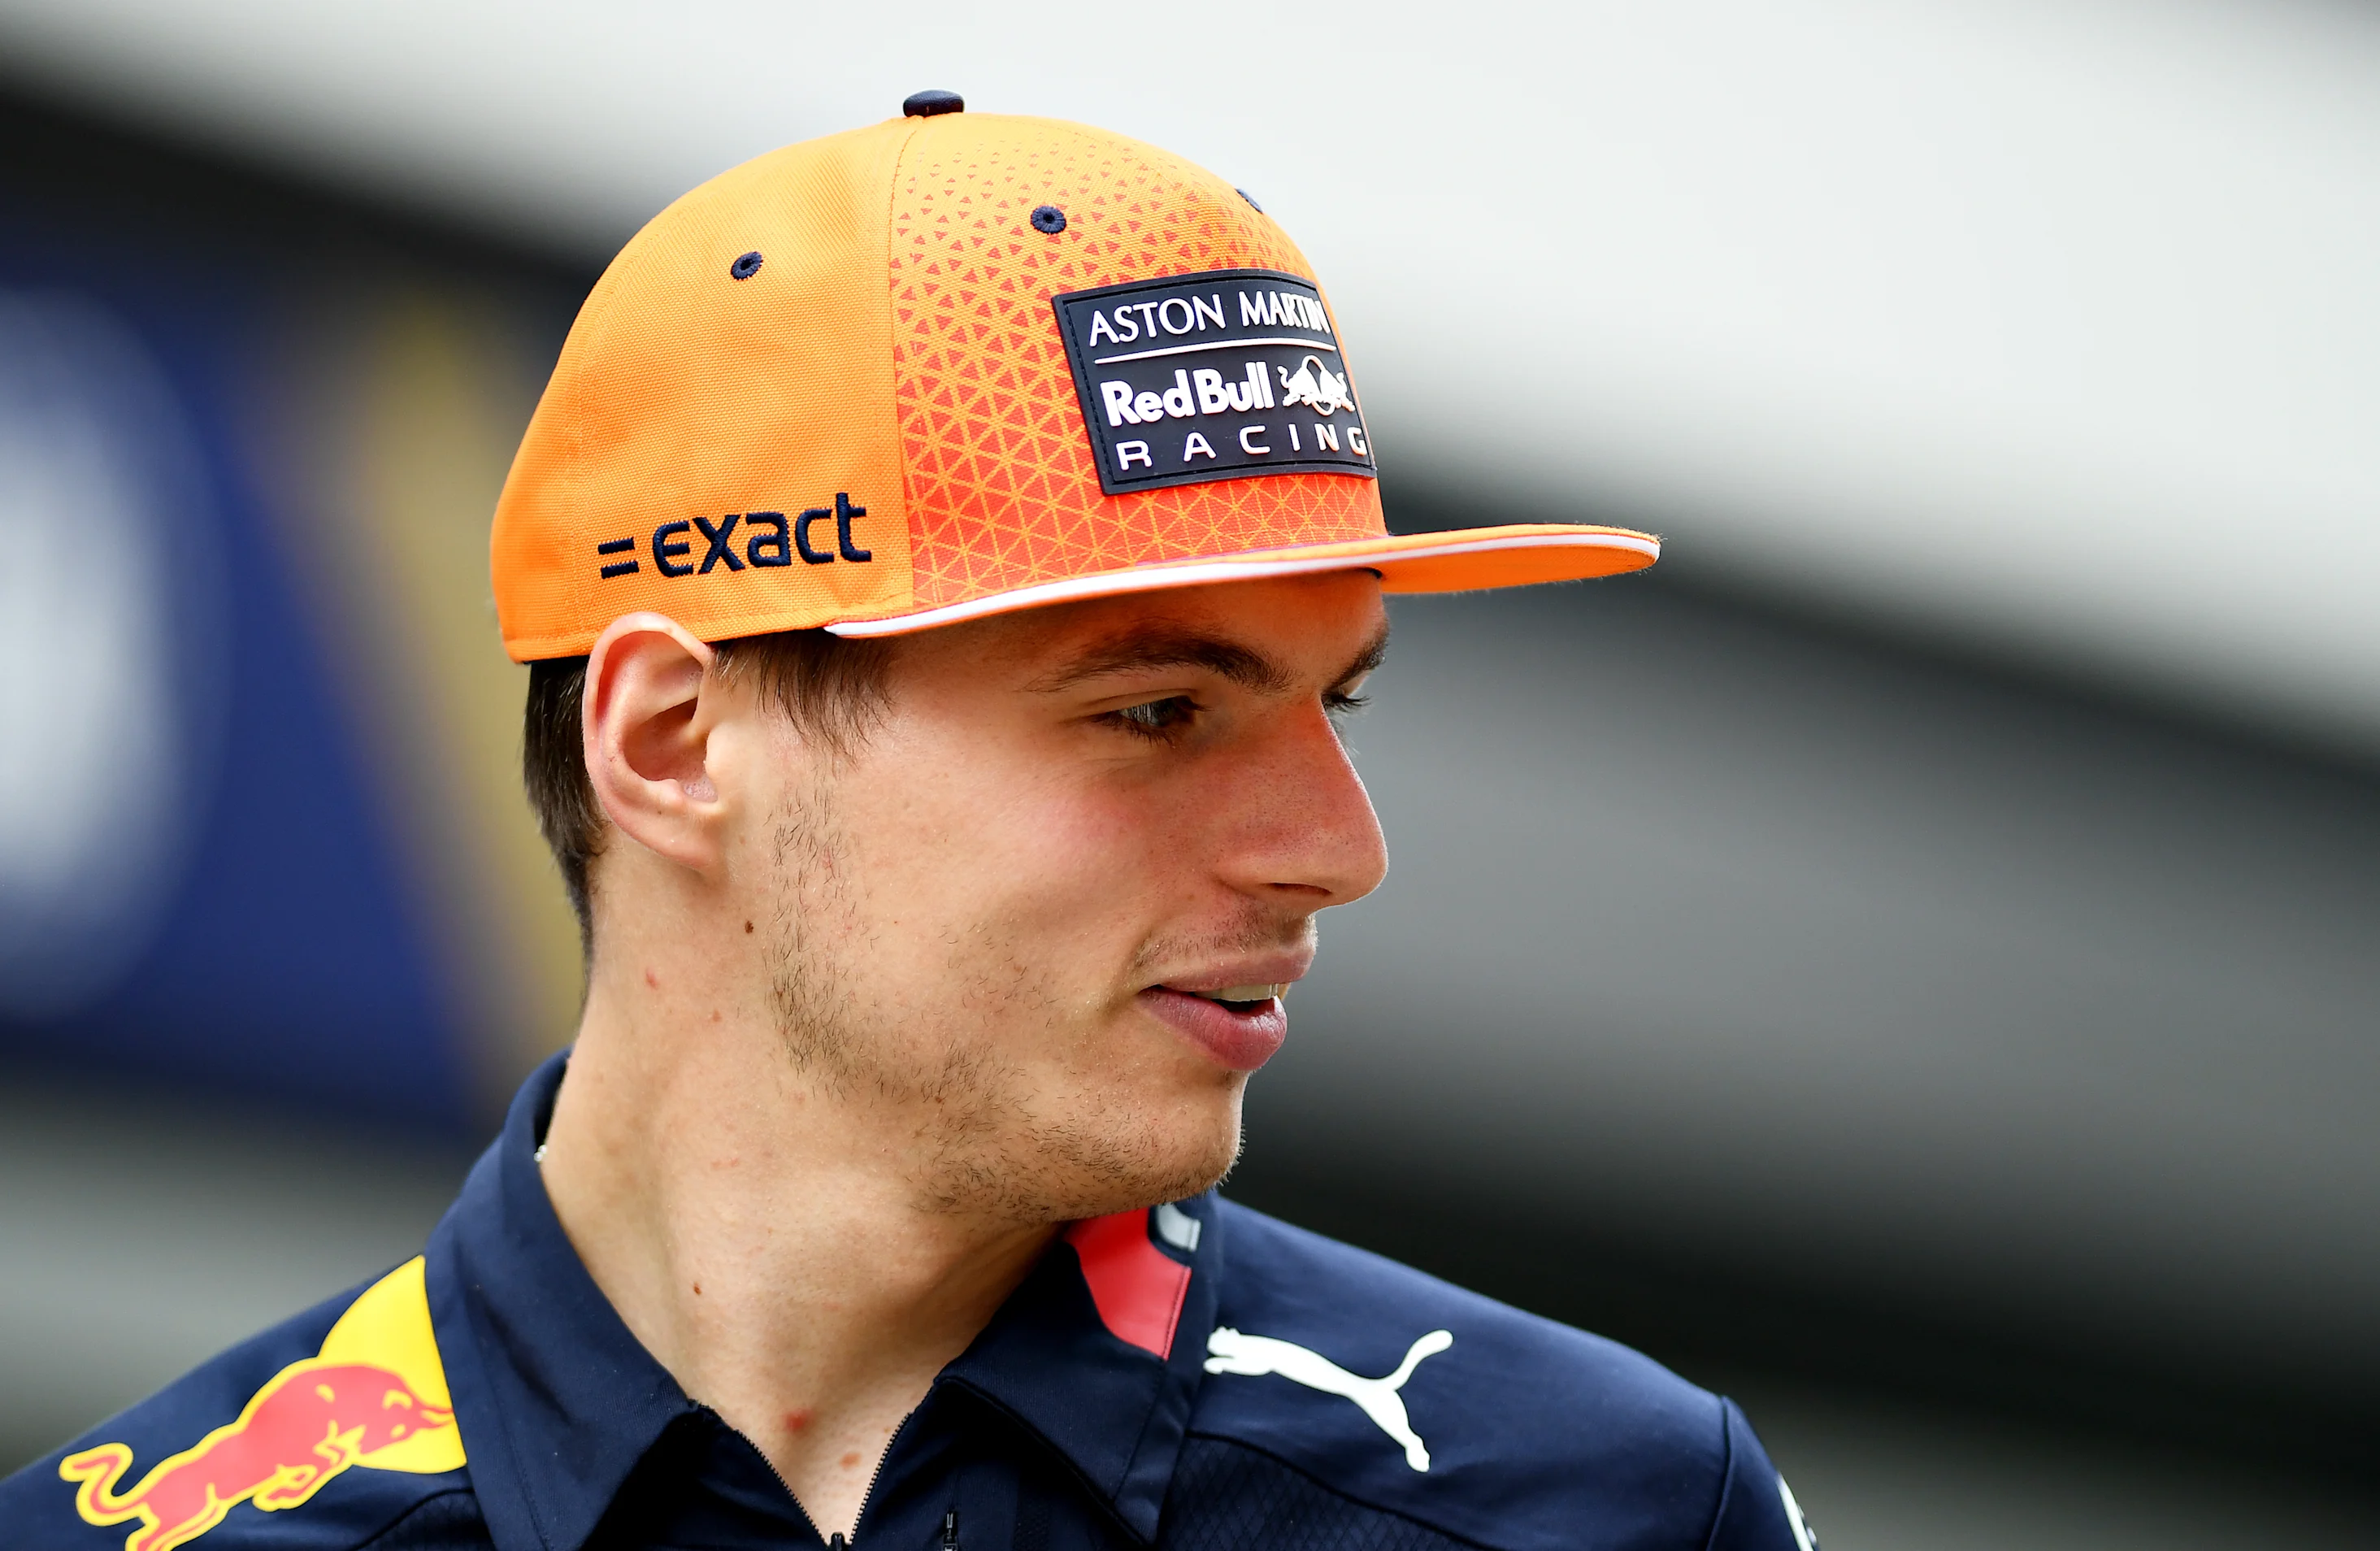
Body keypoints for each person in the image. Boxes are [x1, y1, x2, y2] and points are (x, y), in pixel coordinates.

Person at [6, 96, 1814, 1551]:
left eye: (1332, 701)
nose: (1338, 848)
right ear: (675, 738)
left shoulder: (1601, 1504)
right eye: (1157, 711)